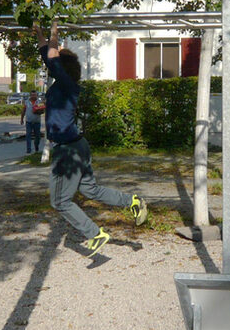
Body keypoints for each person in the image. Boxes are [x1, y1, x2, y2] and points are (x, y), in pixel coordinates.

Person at [33, 21, 149, 257]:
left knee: (60, 201)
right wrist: (39, 33)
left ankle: (94, 234)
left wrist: (54, 32)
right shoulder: (62, 85)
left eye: (54, 65)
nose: (49, 65)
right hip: (77, 146)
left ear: (62, 69)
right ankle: (133, 201)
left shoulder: (67, 85)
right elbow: (48, 55)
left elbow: (53, 58)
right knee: (90, 190)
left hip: (68, 151)